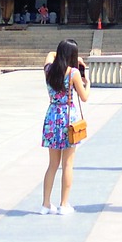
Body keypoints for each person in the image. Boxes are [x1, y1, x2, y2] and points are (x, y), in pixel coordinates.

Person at [41, 38, 90, 215]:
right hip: (68, 118)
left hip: (52, 116)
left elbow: (50, 55)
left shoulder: (48, 70)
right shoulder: (74, 73)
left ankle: (45, 204)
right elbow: (84, 97)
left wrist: (61, 54)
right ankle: (64, 204)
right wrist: (88, 82)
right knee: (68, 164)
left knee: (52, 164)